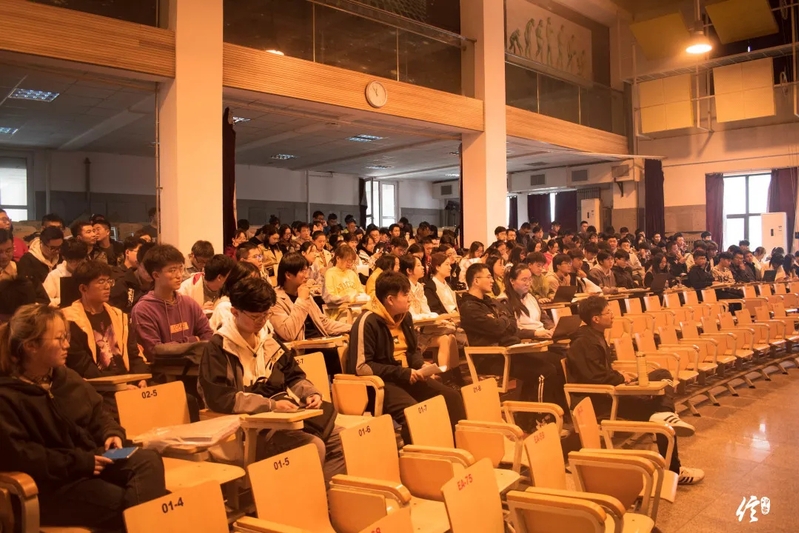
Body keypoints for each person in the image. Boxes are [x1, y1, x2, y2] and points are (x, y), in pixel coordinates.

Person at [0, 303, 166, 529]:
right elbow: (24, 457)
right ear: (31, 346)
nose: (67, 345)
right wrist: (80, 462)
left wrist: (111, 432)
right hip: (53, 484)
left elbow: (99, 412)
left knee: (148, 460)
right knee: (127, 502)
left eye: (66, 337)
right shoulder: (8, 396)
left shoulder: (65, 377)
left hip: (91, 460)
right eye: (59, 339)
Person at [199, 277, 345, 482]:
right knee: (312, 446)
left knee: (341, 438)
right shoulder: (219, 348)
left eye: (266, 315)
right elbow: (221, 398)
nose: (262, 321)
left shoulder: (267, 340)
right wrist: (271, 405)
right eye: (255, 316)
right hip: (246, 430)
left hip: (280, 421)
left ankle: (322, 493)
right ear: (235, 312)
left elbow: (294, 375)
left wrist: (310, 393)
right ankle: (302, 496)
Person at [567, 296, 704, 485]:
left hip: (610, 391)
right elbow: (593, 377)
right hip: (603, 401)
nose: (613, 315)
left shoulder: (594, 335)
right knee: (660, 412)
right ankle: (674, 470)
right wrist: (620, 378)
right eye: (608, 312)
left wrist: (620, 374)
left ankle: (665, 414)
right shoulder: (583, 342)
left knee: (662, 374)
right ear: (595, 319)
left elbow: (601, 371)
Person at [347, 271, 465, 443]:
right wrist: (403, 373)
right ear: (390, 299)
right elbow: (362, 367)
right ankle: (417, 454)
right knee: (414, 411)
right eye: (405, 295)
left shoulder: (405, 317)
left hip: (407, 376)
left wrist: (420, 365)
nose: (410, 299)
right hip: (381, 383)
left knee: (451, 397)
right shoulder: (367, 321)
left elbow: (412, 350)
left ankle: (455, 446)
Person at [459, 263, 564, 429]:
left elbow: (512, 324)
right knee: (544, 371)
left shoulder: (490, 302)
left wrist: (502, 321)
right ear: (476, 280)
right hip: (490, 357)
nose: (492, 280)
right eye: (488, 277)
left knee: (554, 362)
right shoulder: (469, 307)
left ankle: (527, 417)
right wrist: (503, 321)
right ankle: (539, 418)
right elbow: (498, 328)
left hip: (508, 351)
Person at [63, 261, 149, 415]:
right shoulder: (69, 321)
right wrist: (120, 386)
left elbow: (134, 354)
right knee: (125, 411)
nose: (107, 286)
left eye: (109, 281)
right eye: (101, 282)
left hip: (128, 383)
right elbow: (84, 368)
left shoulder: (119, 316)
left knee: (179, 399)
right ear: (83, 288)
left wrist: (141, 379)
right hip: (98, 389)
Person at [270, 253, 351, 376]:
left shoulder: (304, 292)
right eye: (302, 271)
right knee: (339, 356)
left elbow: (324, 323)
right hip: (302, 349)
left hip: (321, 342)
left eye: (306, 270)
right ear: (288, 275)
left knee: (353, 348)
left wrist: (352, 327)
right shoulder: (275, 300)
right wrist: (302, 300)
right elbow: (288, 333)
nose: (307, 275)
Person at [130, 244, 213, 361]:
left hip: (195, 366)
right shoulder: (143, 310)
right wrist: (193, 340)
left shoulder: (189, 303)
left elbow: (208, 336)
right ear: (156, 275)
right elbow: (155, 350)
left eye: (180, 268)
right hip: (163, 369)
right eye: (172, 270)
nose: (179, 275)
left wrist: (177, 346)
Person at [399, 254, 463, 385]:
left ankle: (449, 376)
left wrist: (431, 317)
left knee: (448, 337)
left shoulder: (419, 286)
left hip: (423, 327)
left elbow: (426, 310)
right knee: (449, 332)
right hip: (412, 332)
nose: (423, 267)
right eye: (418, 265)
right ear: (409, 270)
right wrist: (428, 318)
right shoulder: (404, 288)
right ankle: (450, 377)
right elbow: (409, 315)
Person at [322, 244, 366, 320]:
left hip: (357, 309)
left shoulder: (352, 273)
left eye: (352, 261)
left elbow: (361, 292)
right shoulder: (330, 273)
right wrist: (348, 299)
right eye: (348, 261)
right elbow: (329, 297)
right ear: (338, 258)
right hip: (340, 311)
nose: (350, 264)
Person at [44, 239, 88, 307]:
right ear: (64, 257)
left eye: (78, 260)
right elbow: (45, 300)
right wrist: (62, 301)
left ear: (84, 258)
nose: (74, 263)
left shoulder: (90, 273)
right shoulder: (54, 275)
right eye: (70, 260)